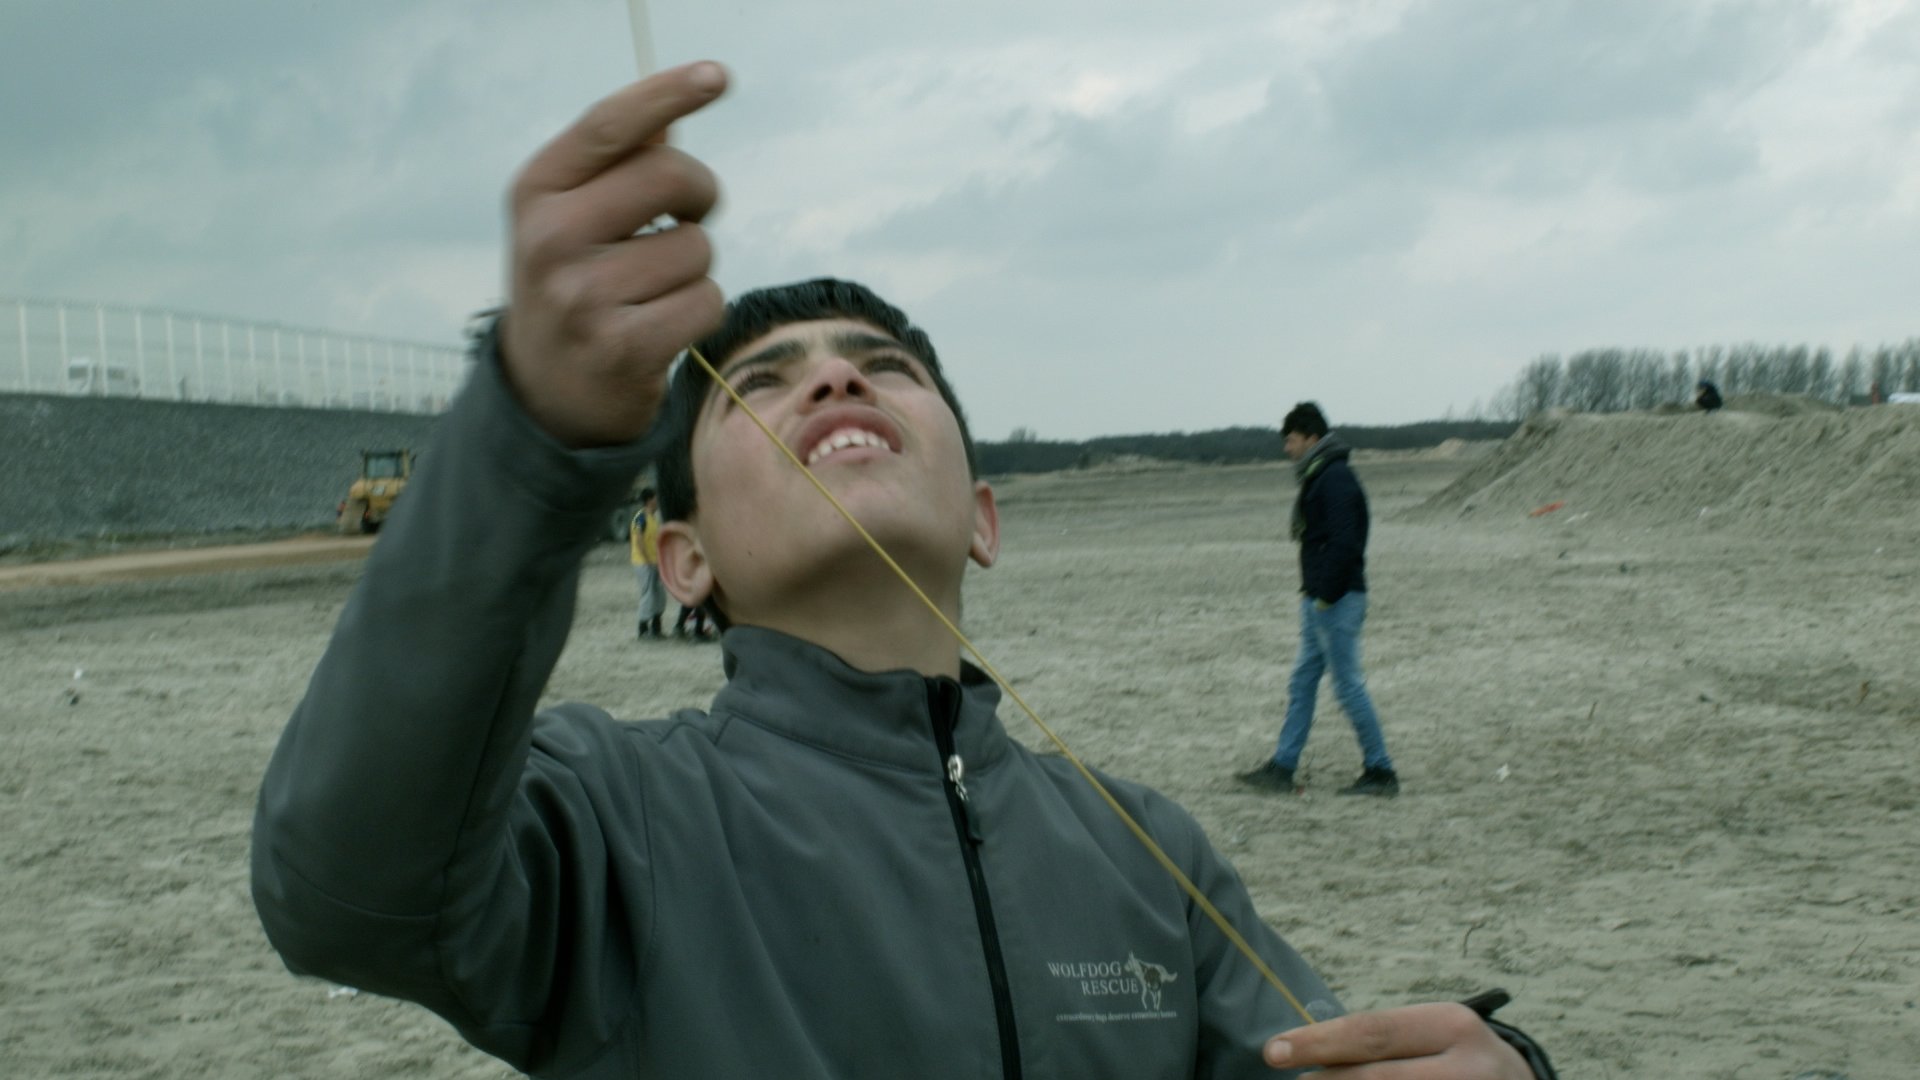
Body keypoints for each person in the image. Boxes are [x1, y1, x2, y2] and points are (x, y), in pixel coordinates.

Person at [250, 63, 1551, 1079]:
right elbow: (345, 895)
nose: (831, 375)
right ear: (684, 560)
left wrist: (1510, 1068)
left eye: (886, 366)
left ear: (982, 518)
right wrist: (530, 437)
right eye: (761, 385)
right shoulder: (609, 815)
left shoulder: (1148, 850)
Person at [1240, 402, 1400, 798]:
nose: (1287, 449)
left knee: (1347, 687)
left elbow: (1347, 542)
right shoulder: (1320, 475)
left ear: (1312, 438)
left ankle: (1380, 771)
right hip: (1320, 600)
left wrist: (1326, 596)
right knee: (1303, 682)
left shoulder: (1335, 478)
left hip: (1337, 600)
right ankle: (1283, 765)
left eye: (1291, 440)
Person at [628, 487, 666, 638]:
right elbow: (638, 540)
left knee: (658, 594)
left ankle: (656, 626)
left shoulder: (653, 518)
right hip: (643, 562)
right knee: (648, 594)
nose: (657, 501)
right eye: (655, 498)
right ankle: (643, 628)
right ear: (650, 500)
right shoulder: (641, 517)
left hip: (654, 561)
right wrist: (647, 560)